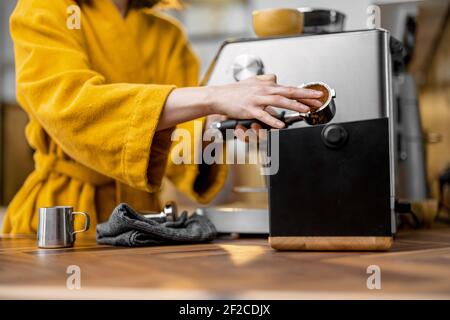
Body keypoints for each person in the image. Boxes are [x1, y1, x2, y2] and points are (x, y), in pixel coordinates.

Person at [2, 0, 323, 234]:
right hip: (61, 220)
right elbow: (69, 106)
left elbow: (179, 137)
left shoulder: (167, 33)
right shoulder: (43, 8)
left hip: (141, 223)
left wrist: (219, 122)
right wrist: (214, 97)